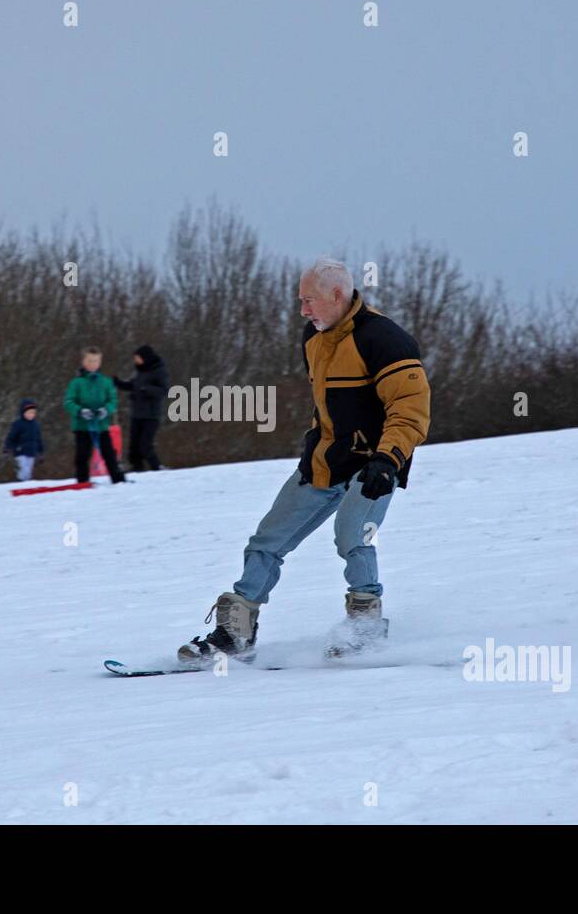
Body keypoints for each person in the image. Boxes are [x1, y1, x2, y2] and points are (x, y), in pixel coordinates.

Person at [179, 257, 431, 663]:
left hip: (374, 465)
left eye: (309, 300)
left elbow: (410, 408)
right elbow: (326, 406)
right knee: (267, 540)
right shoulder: (313, 338)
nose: (303, 310)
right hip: (324, 461)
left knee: (353, 536)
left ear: (337, 295)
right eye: (301, 301)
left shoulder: (385, 339)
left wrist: (389, 459)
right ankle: (236, 632)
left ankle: (365, 625)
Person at [63, 346, 126, 484]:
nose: (93, 364)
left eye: (96, 361)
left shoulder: (106, 382)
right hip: (82, 426)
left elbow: (113, 401)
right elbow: (68, 402)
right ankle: (82, 482)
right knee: (82, 456)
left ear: (100, 362)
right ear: (84, 362)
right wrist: (80, 411)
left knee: (109, 454)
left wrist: (106, 410)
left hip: (101, 426)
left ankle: (118, 480)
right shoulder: (76, 383)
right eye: (90, 361)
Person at [113, 344, 169, 471]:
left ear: (146, 358)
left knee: (145, 445)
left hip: (151, 415)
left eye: (138, 358)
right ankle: (137, 468)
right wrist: (118, 383)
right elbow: (133, 386)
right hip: (137, 413)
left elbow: (164, 390)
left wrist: (146, 390)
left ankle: (157, 467)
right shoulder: (140, 371)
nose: (136, 361)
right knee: (133, 446)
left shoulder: (159, 371)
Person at [3, 399, 44, 481]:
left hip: (32, 451)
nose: (31, 415)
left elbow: (38, 439)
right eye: (29, 413)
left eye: (33, 413)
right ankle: (20, 483)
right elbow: (11, 437)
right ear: (23, 413)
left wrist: (41, 452)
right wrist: (7, 448)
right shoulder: (18, 424)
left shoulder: (35, 425)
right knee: (23, 469)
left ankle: (26, 484)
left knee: (28, 471)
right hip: (20, 451)